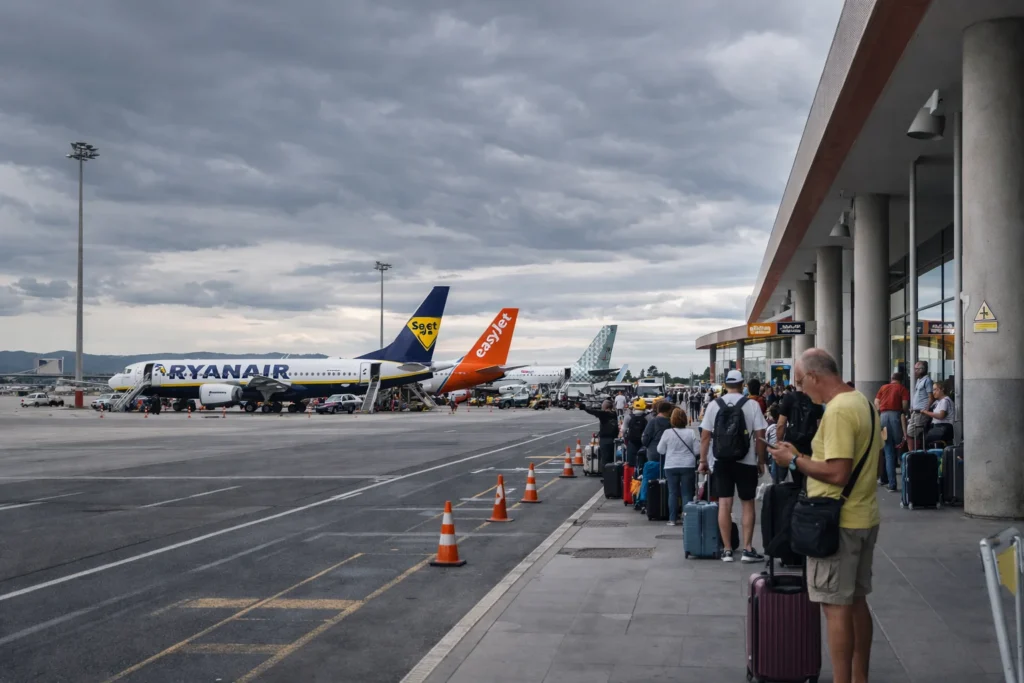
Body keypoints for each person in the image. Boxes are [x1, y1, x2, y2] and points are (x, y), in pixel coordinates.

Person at [768, 349, 881, 683]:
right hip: (862, 515)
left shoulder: (838, 411)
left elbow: (837, 472)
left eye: (801, 383)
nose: (801, 391)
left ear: (815, 376)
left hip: (836, 523)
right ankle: (860, 677)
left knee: (835, 607)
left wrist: (795, 460)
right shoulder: (861, 401)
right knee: (856, 601)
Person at [699, 369, 767, 563]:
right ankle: (747, 548)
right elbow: (760, 435)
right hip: (746, 461)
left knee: (724, 503)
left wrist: (703, 461)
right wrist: (761, 460)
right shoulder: (752, 405)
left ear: (725, 384)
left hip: (721, 461)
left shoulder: (714, 405)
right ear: (742, 384)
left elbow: (705, 436)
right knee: (747, 504)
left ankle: (727, 549)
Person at [775, 380, 824, 487]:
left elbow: (781, 424)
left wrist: (778, 442)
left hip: (792, 445)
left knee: (794, 477)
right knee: (808, 478)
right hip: (810, 445)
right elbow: (820, 425)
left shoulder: (788, 398)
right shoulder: (816, 398)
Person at [657, 407, 699, 526]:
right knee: (687, 493)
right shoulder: (690, 432)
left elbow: (660, 450)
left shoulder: (667, 433)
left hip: (671, 465)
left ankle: (673, 519)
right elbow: (696, 451)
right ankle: (687, 518)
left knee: (673, 493)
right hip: (687, 465)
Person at [874, 372, 909, 492]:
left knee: (888, 452)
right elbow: (904, 405)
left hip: (883, 418)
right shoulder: (902, 389)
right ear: (901, 380)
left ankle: (892, 484)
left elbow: (876, 402)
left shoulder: (883, 388)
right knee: (901, 448)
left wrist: (882, 411)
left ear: (891, 379)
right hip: (896, 418)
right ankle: (906, 483)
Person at [583, 399, 619, 466]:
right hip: (614, 439)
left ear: (605, 407)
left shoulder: (604, 414)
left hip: (605, 439)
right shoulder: (614, 414)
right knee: (612, 457)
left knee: (605, 459)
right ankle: (612, 472)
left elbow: (593, 411)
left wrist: (584, 408)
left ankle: (606, 473)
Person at [907, 360, 933, 450]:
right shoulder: (919, 380)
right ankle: (913, 453)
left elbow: (930, 397)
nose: (915, 371)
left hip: (921, 412)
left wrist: (926, 410)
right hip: (916, 411)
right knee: (911, 432)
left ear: (922, 369)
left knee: (914, 432)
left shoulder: (927, 381)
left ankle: (915, 453)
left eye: (917, 369)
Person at [622, 398, 649, 467]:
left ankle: (632, 476)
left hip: (632, 441)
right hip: (644, 443)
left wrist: (625, 439)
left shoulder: (628, 417)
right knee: (644, 461)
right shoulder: (648, 417)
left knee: (631, 462)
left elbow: (624, 430)